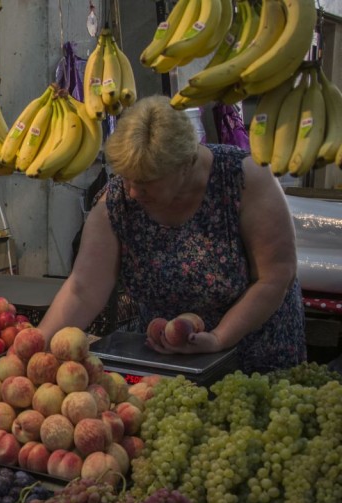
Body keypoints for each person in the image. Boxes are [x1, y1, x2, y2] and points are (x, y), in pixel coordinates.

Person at [37, 95, 306, 374]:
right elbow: (83, 290)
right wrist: (35, 350)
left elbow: (274, 276)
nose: (132, 192)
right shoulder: (116, 203)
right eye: (127, 178)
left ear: (186, 164)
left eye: (146, 183)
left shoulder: (245, 179)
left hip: (255, 358)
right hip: (165, 361)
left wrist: (219, 338)